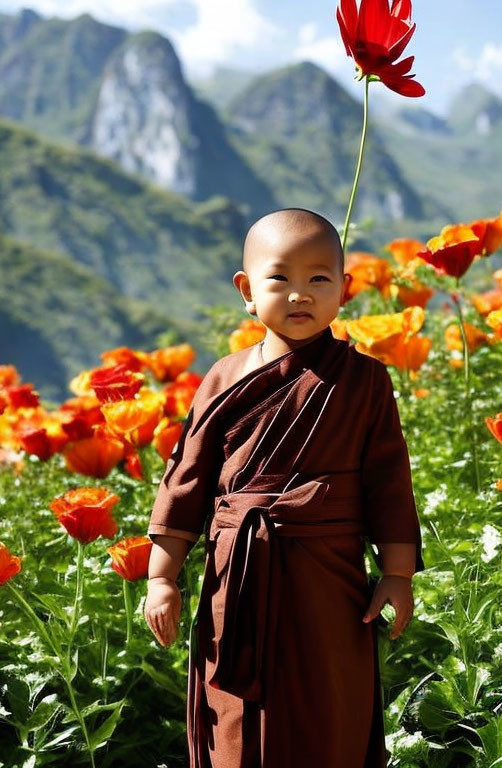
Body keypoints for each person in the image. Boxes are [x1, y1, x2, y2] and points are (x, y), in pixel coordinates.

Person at [143, 207, 425, 768]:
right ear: (247, 291)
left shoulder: (366, 380)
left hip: (331, 585)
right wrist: (161, 576)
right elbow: (187, 481)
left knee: (331, 711)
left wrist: (396, 574)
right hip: (238, 582)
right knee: (237, 720)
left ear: (344, 291)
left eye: (319, 279)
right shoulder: (223, 378)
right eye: (280, 279)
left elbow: (389, 486)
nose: (300, 295)